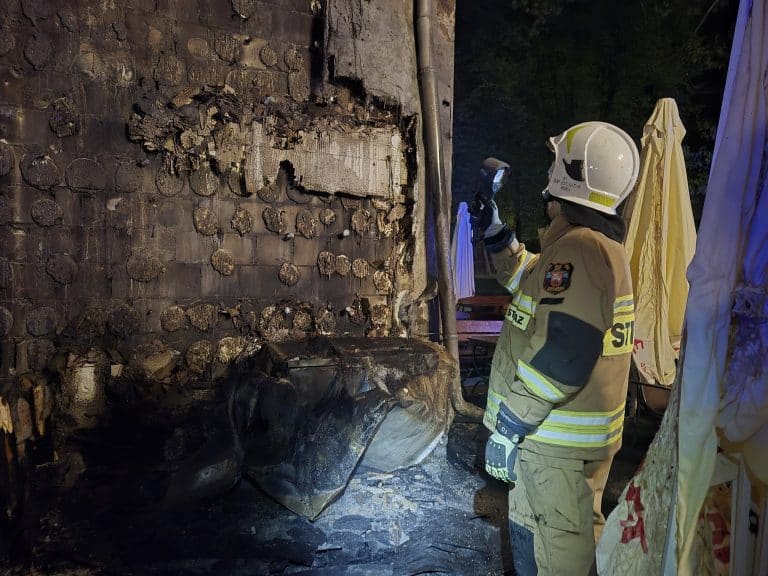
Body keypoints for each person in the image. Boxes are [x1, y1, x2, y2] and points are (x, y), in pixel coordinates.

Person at [480, 121, 640, 575]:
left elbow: (562, 354)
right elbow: (529, 278)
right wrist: (496, 232)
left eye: (555, 164)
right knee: (573, 542)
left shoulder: (580, 250)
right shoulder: (589, 247)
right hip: (569, 441)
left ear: (568, 176)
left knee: (553, 553)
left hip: (552, 444)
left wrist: (510, 426)